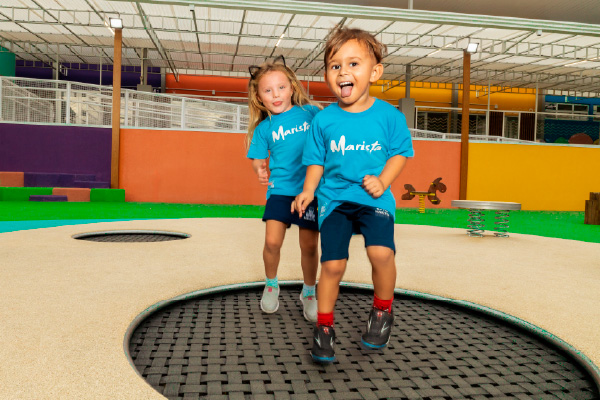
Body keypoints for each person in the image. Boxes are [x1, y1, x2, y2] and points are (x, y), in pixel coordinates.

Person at [292, 28, 414, 363]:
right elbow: (316, 161)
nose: (343, 71)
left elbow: (400, 153)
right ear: (327, 75)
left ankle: (382, 311)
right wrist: (307, 191)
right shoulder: (324, 120)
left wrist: (384, 180)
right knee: (332, 263)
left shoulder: (390, 116)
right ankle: (324, 327)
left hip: (374, 200)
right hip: (335, 200)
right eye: (335, 66)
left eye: (354, 63)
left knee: (380, 254)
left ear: (374, 72)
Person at [246, 55, 322, 322]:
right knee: (272, 241)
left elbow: (330, 135)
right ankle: (271, 283)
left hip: (310, 192)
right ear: (259, 97)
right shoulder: (264, 128)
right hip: (280, 190)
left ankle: (310, 291)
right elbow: (257, 158)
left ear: (292, 87)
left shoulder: (311, 113)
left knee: (309, 246)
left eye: (280, 87)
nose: (275, 95)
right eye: (267, 90)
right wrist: (260, 169)